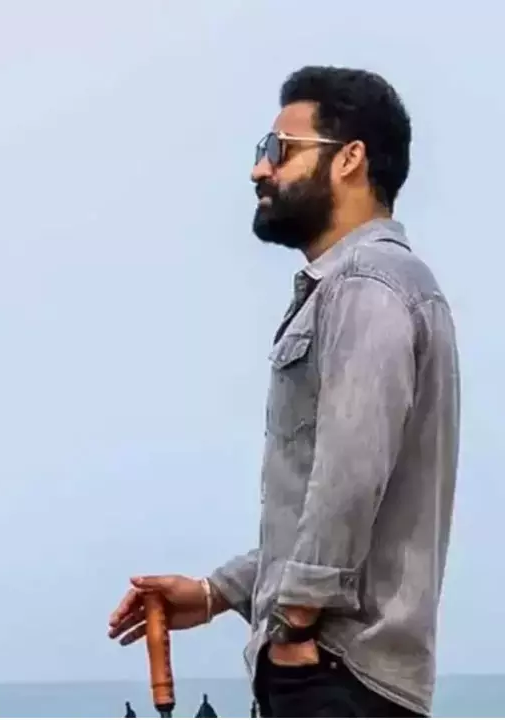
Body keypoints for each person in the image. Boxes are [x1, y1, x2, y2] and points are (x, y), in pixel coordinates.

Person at [106, 65, 458, 717]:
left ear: (350, 159)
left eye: (279, 149)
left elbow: (349, 478)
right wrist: (215, 592)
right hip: (339, 675)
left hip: (336, 674)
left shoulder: (366, 286)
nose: (259, 169)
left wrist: (294, 626)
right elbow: (326, 503)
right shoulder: (371, 288)